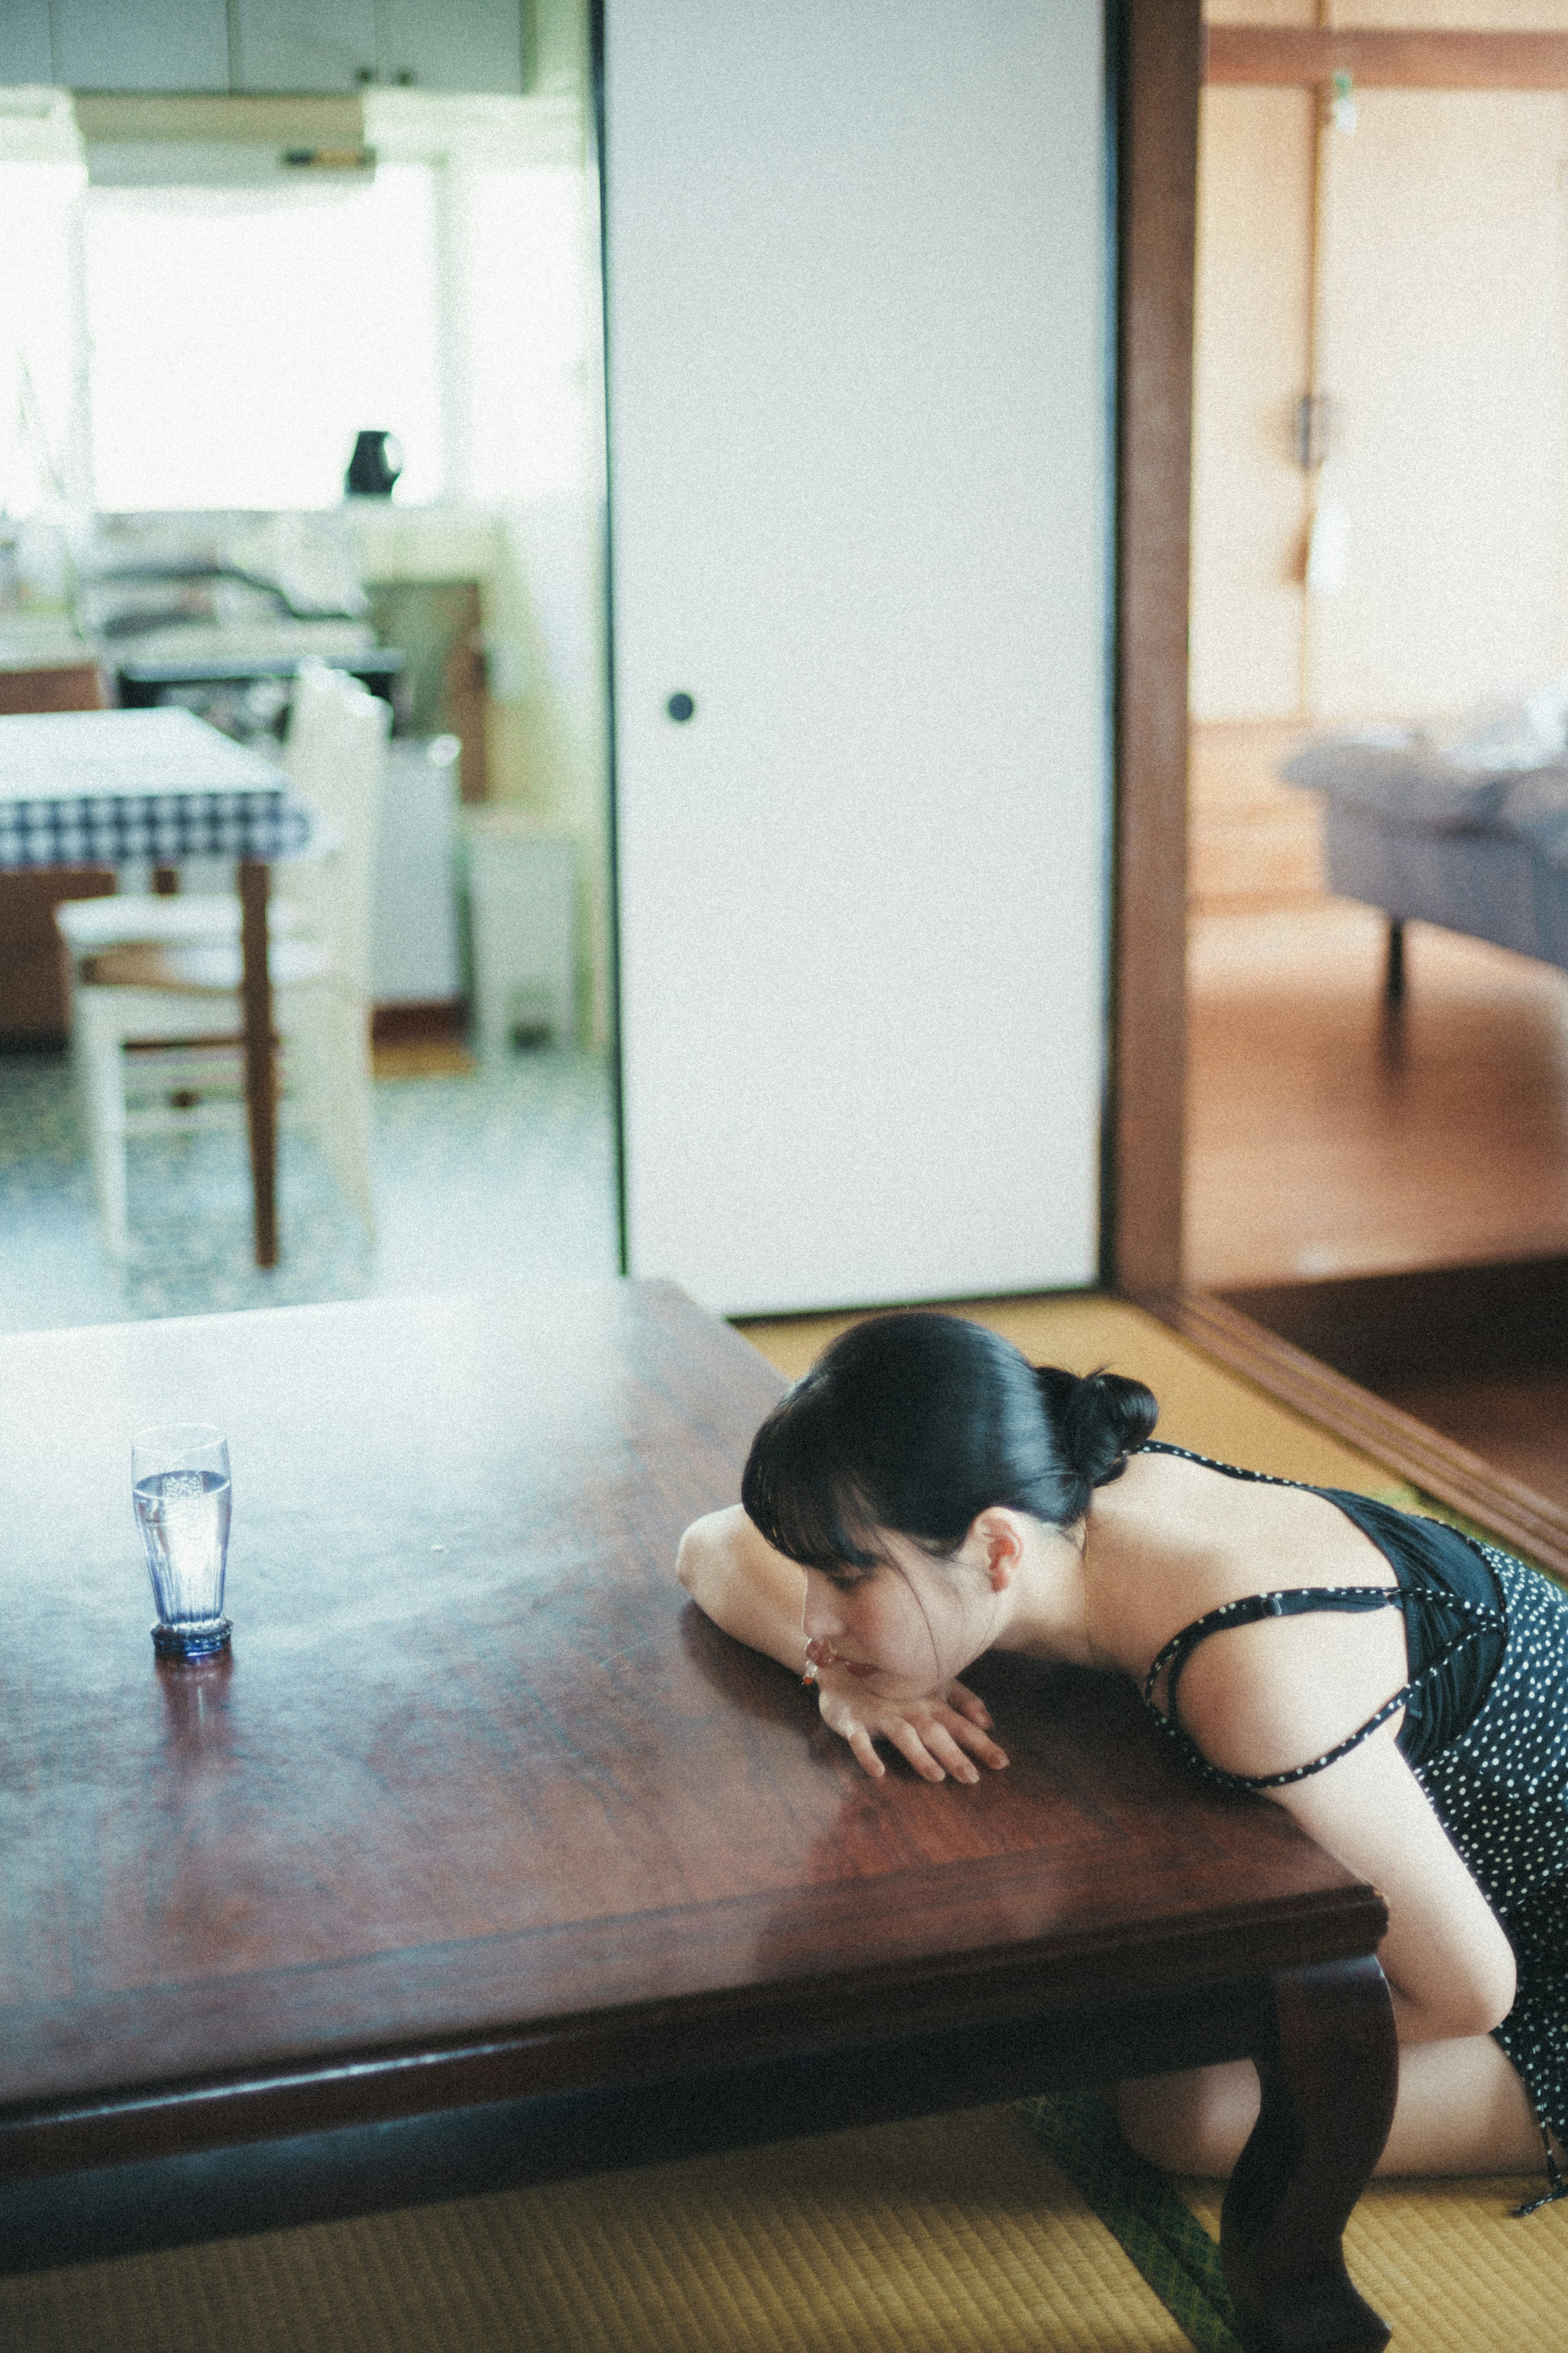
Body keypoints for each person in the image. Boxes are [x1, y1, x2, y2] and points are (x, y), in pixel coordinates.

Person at [675, 1309, 1568, 2203]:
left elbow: (1471, 1990)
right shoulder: (1053, 1495)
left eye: (847, 1580)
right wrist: (841, 1679)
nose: (817, 1621)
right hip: (1463, 1865)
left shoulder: (1248, 1673)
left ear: (995, 1549)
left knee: (1184, 2110)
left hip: (1531, 1939)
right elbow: (712, 1546)